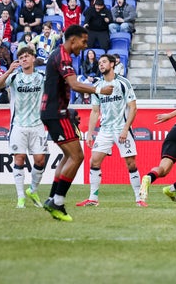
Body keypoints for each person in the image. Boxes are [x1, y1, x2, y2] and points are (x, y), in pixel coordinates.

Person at [40, 25, 114, 221]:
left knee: (68, 156)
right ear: (73, 40)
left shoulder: (60, 55)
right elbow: (73, 84)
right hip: (55, 113)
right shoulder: (63, 56)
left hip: (56, 112)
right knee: (77, 156)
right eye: (83, 41)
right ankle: (57, 201)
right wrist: (99, 90)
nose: (85, 45)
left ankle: (51, 199)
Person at [77, 54, 146, 207]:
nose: (100, 65)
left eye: (104, 62)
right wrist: (89, 133)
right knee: (94, 161)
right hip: (105, 130)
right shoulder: (98, 86)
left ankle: (139, 198)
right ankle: (93, 198)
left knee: (131, 164)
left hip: (122, 128)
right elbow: (95, 111)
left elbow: (133, 108)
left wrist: (125, 129)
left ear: (112, 64)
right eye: (99, 62)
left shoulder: (123, 83)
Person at [0, 47, 48, 208]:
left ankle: (33, 189)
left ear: (33, 59)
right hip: (18, 125)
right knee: (19, 158)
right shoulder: (14, 76)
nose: (24, 59)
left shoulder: (41, 77)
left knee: (40, 160)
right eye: (21, 57)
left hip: (37, 125)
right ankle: (20, 198)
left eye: (27, 56)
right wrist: (8, 70)